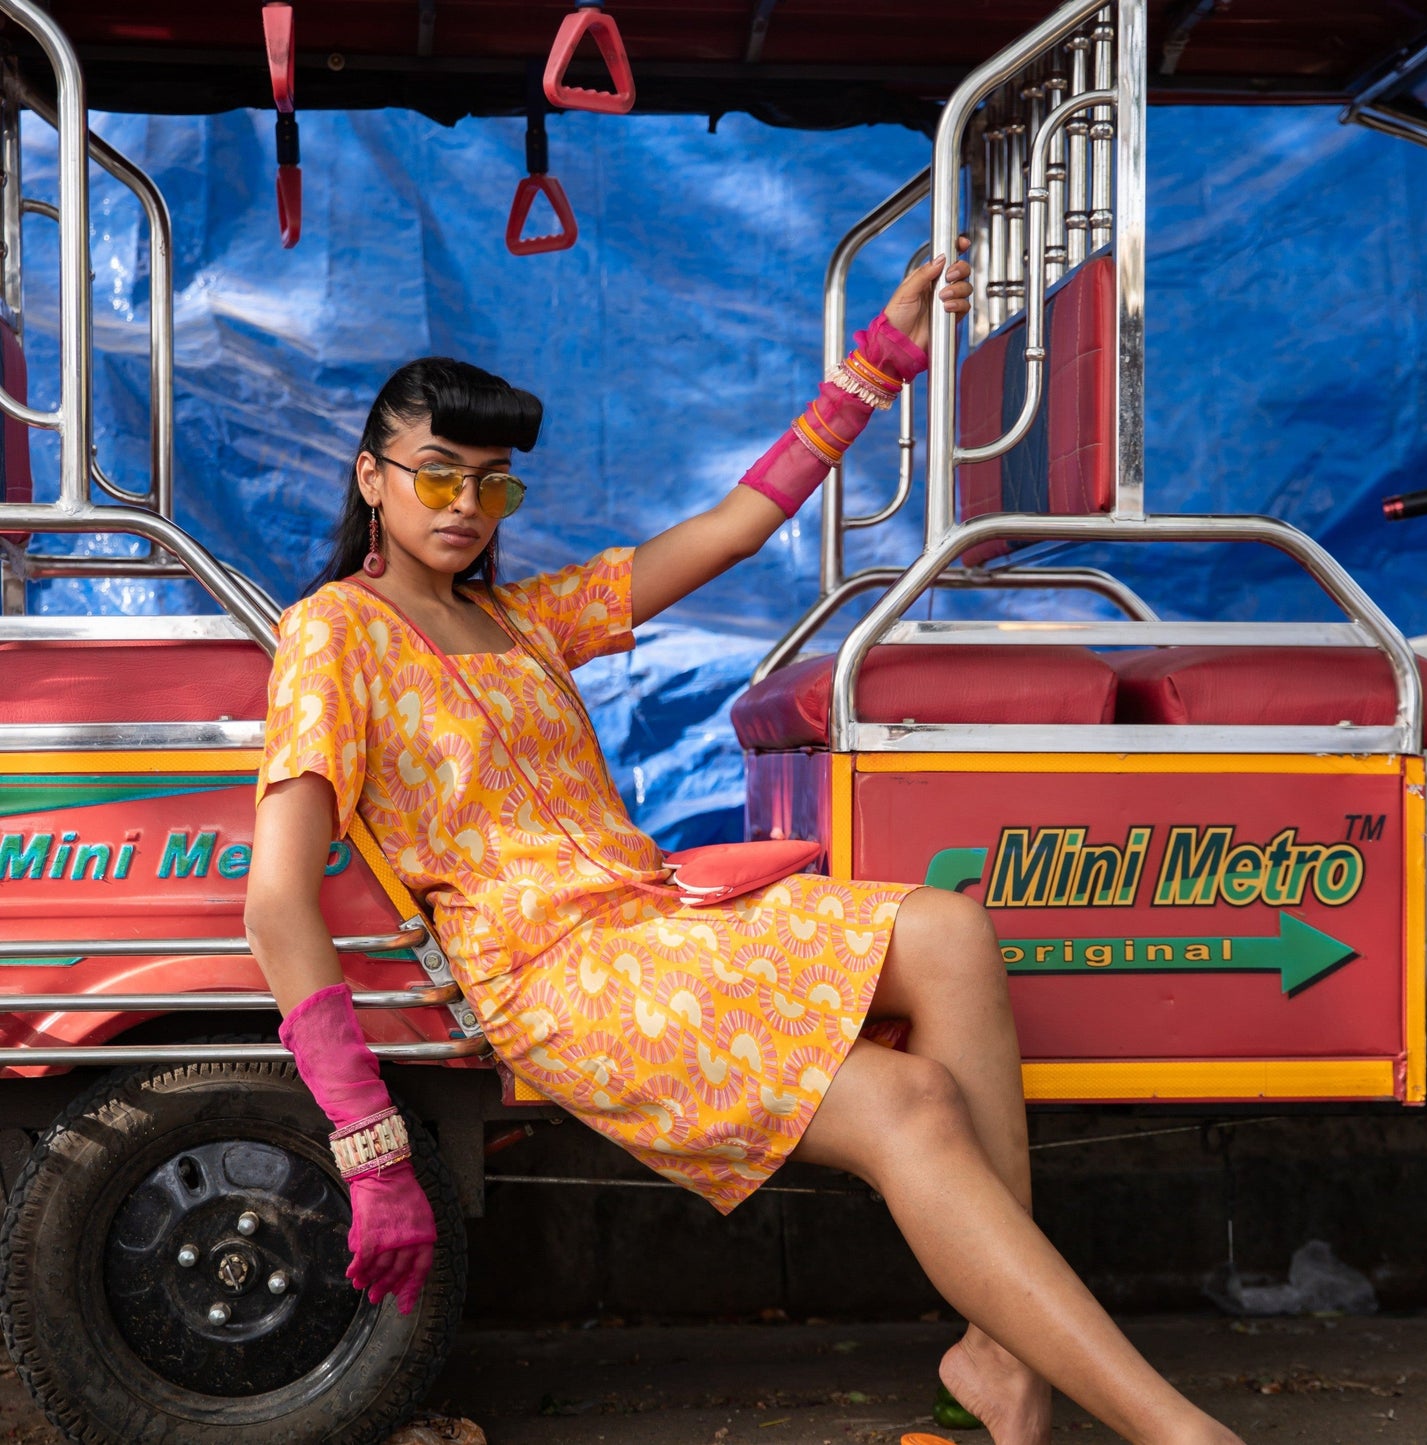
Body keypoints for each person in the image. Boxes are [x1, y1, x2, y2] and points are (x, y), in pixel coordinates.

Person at [244, 244, 1244, 1445]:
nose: (463, 505)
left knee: (946, 926)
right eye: (435, 475)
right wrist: (368, 1140)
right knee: (908, 1104)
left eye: (490, 484)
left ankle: (1000, 1359)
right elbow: (275, 897)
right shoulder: (331, 636)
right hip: (557, 977)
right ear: (372, 477)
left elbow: (731, 526)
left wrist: (880, 356)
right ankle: (1183, 1436)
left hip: (658, 924)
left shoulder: (520, 618)